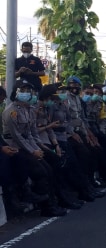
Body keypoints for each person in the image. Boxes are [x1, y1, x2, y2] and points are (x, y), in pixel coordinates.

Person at [2, 80, 67, 217]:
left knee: (49, 168)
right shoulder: (11, 112)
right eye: (23, 90)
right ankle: (46, 207)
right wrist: (33, 151)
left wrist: (38, 149)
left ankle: (53, 202)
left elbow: (31, 134)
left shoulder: (29, 110)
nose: (26, 94)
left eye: (28, 91)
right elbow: (17, 137)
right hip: (16, 148)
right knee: (41, 171)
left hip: (29, 147)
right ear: (16, 92)